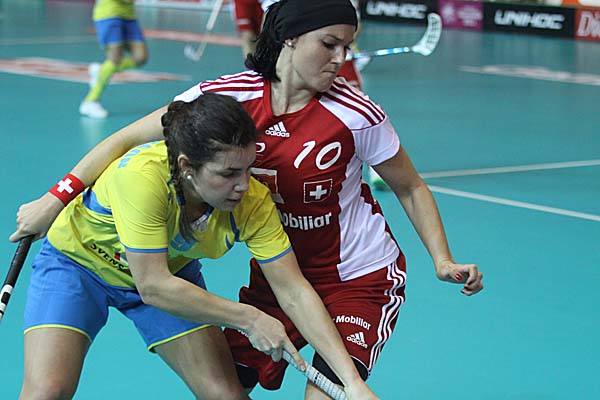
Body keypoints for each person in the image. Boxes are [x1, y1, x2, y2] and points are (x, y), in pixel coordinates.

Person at [11, 0, 484, 398]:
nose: (341, 59)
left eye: (347, 47)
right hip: (264, 272)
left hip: (349, 274)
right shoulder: (222, 104)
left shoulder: (351, 119)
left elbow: (409, 185)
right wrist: (56, 198)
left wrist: (440, 258)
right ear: (290, 38)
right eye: (329, 44)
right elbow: (126, 138)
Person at [16, 93, 376, 400]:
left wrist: (352, 383)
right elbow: (152, 286)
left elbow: (292, 289)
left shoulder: (253, 201)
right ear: (187, 166)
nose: (242, 185)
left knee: (226, 395)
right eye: (228, 174)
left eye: (248, 169)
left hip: (171, 275)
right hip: (80, 267)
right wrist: (250, 318)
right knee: (46, 392)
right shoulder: (142, 177)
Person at [79, 0, 149, 119]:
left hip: (129, 16)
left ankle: (102, 71)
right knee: (115, 59)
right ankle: (90, 101)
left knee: (140, 57)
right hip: (109, 14)